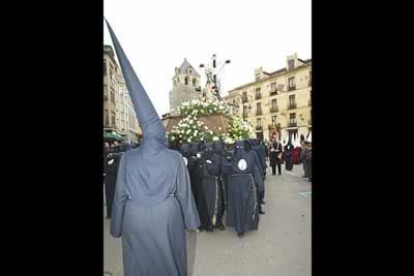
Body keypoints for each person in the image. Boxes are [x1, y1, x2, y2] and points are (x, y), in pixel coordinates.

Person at [107, 21, 200, 276]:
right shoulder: (174, 158)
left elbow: (120, 196)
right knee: (169, 263)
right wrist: (191, 222)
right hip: (165, 219)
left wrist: (117, 227)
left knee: (137, 265)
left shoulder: (128, 158)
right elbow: (183, 194)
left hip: (134, 218)